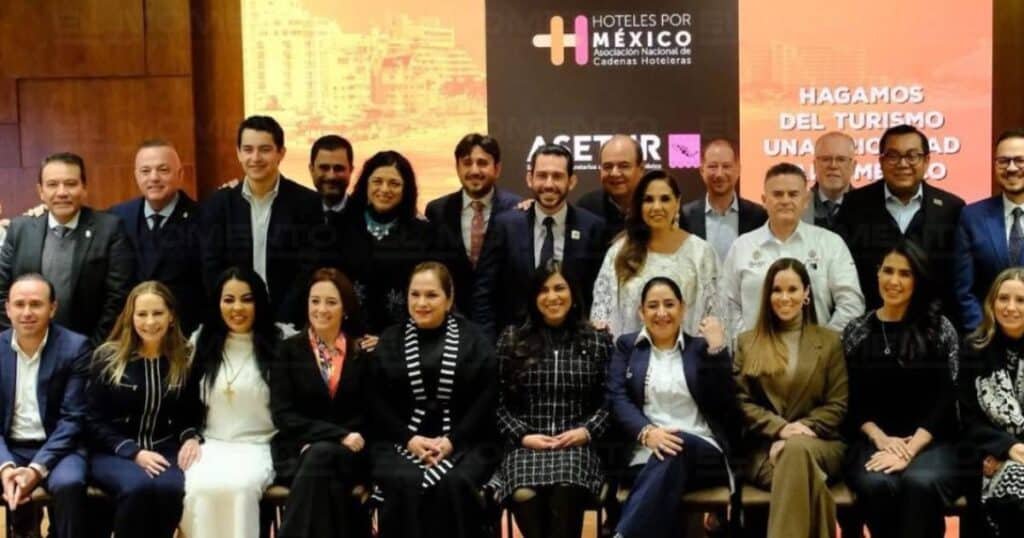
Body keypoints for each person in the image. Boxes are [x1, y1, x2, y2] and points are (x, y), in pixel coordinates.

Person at [368, 262, 498, 538]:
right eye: (414, 295)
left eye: (431, 295)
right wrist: (408, 439)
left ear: (449, 299)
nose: (421, 303)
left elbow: (485, 401)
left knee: (452, 482)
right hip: (399, 442)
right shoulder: (390, 340)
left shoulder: (476, 341)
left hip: (466, 443)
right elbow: (376, 402)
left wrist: (452, 441)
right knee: (406, 480)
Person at [841, 240, 961, 538]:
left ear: (917, 279)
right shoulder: (857, 331)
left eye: (905, 274)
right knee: (878, 484)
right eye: (888, 271)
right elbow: (851, 400)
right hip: (872, 441)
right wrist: (881, 439)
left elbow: (947, 400)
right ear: (877, 273)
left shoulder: (939, 328)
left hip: (931, 442)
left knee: (919, 483)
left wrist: (910, 449)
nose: (894, 281)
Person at [607, 276, 741, 538]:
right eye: (653, 306)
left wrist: (717, 351)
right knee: (667, 461)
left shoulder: (700, 348)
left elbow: (726, 403)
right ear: (641, 312)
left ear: (683, 308)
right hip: (646, 454)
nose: (661, 313)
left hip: (703, 454)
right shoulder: (628, 347)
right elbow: (617, 397)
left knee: (674, 442)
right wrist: (647, 432)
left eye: (669, 304)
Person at [495, 260, 611, 538]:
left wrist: (587, 431)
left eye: (559, 288)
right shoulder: (512, 339)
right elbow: (496, 402)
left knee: (566, 487)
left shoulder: (597, 341)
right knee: (524, 491)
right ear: (534, 298)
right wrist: (523, 436)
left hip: (577, 444)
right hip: (526, 444)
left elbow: (610, 400)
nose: (552, 297)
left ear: (573, 294)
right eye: (543, 290)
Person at [734, 258, 848, 538]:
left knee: (796, 451)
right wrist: (780, 429)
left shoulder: (830, 342)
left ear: (806, 293)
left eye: (792, 289)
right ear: (767, 294)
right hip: (764, 451)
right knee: (804, 476)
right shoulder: (748, 342)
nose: (784, 297)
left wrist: (798, 433)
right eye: (777, 290)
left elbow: (837, 404)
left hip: (821, 446)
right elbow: (739, 401)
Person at [86, 281, 200, 538]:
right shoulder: (107, 357)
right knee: (137, 488)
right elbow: (93, 420)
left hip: (165, 449)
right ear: (130, 317)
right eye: (142, 314)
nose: (150, 322)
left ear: (171, 316)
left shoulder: (185, 358)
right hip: (113, 452)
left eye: (157, 313)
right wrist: (134, 452)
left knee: (172, 489)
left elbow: (190, 412)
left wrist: (190, 437)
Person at [271, 268, 372, 538]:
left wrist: (338, 440)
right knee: (324, 475)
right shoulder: (287, 350)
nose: (321, 309)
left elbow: (368, 413)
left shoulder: (361, 354)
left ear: (345, 308)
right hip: (298, 452)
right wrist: (337, 435)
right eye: (315, 301)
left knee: (321, 457)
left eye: (331, 302)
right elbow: (283, 414)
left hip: (350, 456)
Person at [179, 267, 279, 538]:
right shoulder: (202, 342)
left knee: (241, 487)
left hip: (259, 444)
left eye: (247, 299)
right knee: (200, 487)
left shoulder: (280, 343)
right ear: (217, 303)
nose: (237, 308)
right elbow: (187, 402)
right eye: (229, 299)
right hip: (211, 444)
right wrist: (189, 435)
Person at [0, 152, 135, 346]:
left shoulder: (109, 229)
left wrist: (91, 348)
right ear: (41, 191)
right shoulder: (20, 229)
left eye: (71, 184)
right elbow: (2, 291)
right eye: (52, 184)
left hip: (89, 348)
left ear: (84, 188)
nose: (62, 192)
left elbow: (118, 299)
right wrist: (18, 340)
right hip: (26, 348)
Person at [474, 143, 606, 340]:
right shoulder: (505, 226)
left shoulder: (592, 228)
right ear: (530, 179)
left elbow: (598, 293)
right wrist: (489, 346)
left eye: (557, 176)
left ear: (571, 181)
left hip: (575, 344)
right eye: (542, 175)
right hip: (515, 343)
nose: (549, 184)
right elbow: (484, 292)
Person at [200, 115, 322, 324]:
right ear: (238, 153)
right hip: (235, 318)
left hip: (290, 322)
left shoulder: (307, 202)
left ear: (281, 153)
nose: (255, 158)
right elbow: (212, 268)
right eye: (248, 150)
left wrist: (282, 320)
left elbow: (308, 269)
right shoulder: (219, 204)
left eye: (265, 150)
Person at [721, 162, 864, 338]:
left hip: (816, 353)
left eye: (793, 194)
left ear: (806, 200)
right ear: (764, 201)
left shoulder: (830, 244)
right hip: (755, 353)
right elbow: (727, 305)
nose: (785, 200)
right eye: (777, 194)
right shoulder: (742, 247)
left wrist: (824, 344)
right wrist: (749, 344)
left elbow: (851, 304)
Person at [837, 124, 965, 320]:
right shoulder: (854, 205)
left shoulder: (952, 208)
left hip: (933, 323)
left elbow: (957, 277)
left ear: (927, 161)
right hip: (873, 323)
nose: (903, 164)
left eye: (912, 156)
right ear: (881, 161)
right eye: (893, 156)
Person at [0, 274, 89, 538]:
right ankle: (22, 530)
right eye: (19, 304)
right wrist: (5, 466)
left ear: (52, 308)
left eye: (36, 304)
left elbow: (73, 419)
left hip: (60, 447)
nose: (27, 312)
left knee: (70, 483)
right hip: (9, 446)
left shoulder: (75, 348)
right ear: (8, 308)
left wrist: (36, 469)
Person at [592, 170, 719, 338]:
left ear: (677, 202)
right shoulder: (619, 252)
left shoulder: (701, 253)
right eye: (648, 200)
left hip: (688, 353)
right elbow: (601, 315)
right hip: (629, 353)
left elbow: (715, 316)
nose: (657, 207)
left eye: (665, 199)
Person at [326, 150, 436, 334]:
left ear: (406, 189)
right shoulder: (340, 227)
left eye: (394, 184)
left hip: (404, 339)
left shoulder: (424, 234)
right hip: (346, 337)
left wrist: (390, 340)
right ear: (366, 184)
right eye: (377, 181)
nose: (384, 189)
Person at [110, 139, 204, 334]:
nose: (153, 178)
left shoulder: (204, 218)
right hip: (132, 335)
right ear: (136, 176)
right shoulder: (117, 217)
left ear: (180, 174)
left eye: (163, 170)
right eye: (145, 171)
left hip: (184, 334)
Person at [426, 134, 522, 315]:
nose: (474, 170)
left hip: (503, 318)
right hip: (452, 317)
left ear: (497, 169)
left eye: (482, 163)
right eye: (467, 163)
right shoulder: (437, 211)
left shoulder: (517, 209)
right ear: (457, 167)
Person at [960, 267, 1024, 536]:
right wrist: (1006, 448)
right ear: (991, 303)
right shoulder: (974, 348)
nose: (1010, 308)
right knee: (1013, 492)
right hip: (986, 453)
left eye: (1020, 300)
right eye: (1003, 298)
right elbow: (967, 419)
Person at [955, 128, 1024, 332]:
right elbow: (964, 290)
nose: (1011, 168)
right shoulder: (972, 217)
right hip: (987, 338)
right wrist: (983, 334)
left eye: (1019, 160)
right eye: (1003, 161)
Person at [680, 138, 767, 261]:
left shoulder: (759, 216)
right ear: (702, 170)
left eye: (726, 166)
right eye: (713, 166)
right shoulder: (685, 216)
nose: (719, 174)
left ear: (738, 169)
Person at [577, 134, 646, 237]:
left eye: (624, 166)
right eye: (608, 166)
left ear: (641, 169)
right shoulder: (586, 209)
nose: (615, 173)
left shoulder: (657, 205)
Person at [803, 132, 855, 230]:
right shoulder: (797, 207)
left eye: (841, 159)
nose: (833, 166)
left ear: (853, 167)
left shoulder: (871, 209)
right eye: (826, 159)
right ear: (815, 165)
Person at [308, 134, 356, 224]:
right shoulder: (294, 215)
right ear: (312, 170)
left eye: (339, 168)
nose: (331, 176)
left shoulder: (365, 216)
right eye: (324, 168)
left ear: (351, 170)